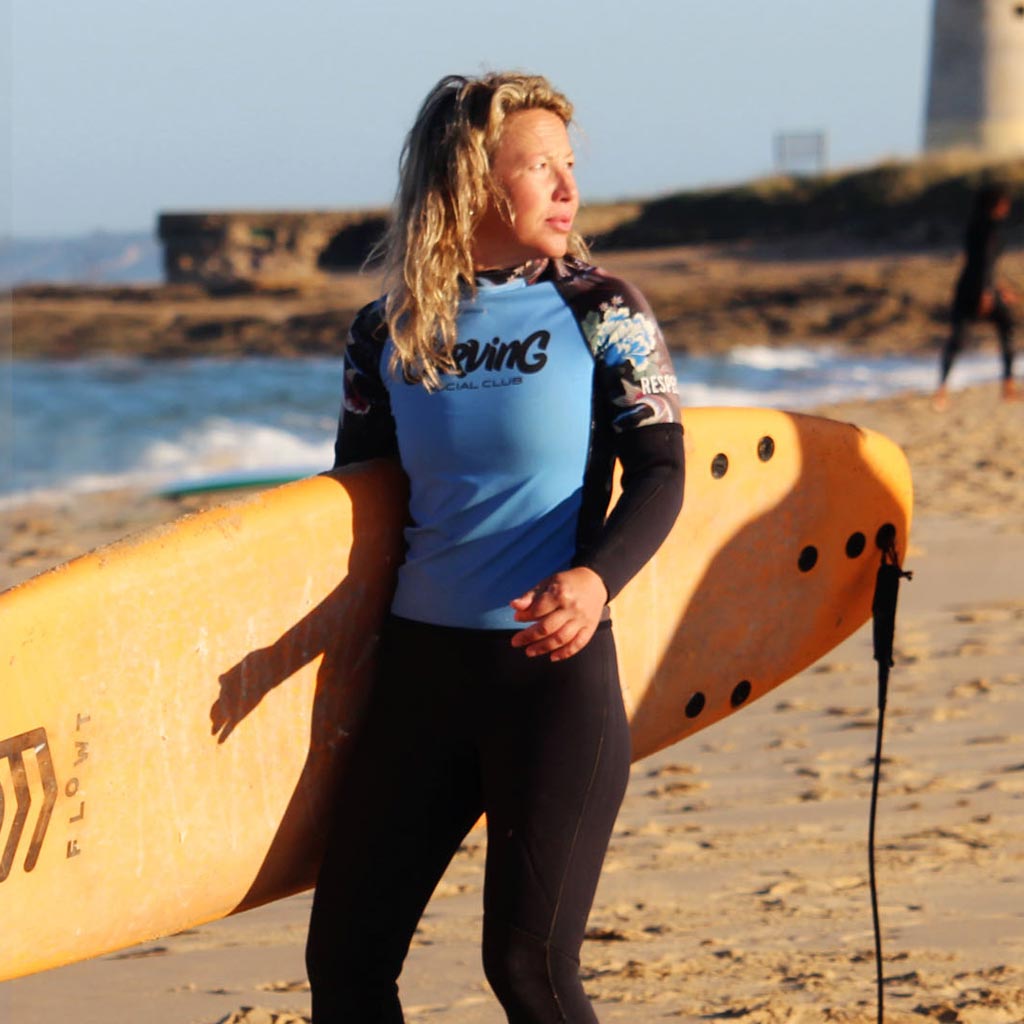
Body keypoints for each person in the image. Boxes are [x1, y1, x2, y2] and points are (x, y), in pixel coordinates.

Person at [305, 71, 685, 1022]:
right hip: (419, 679)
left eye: (569, 166)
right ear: (470, 181)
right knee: (346, 968)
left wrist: (597, 584)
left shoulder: (603, 311)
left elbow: (664, 471)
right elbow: (363, 507)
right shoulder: (385, 332)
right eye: (538, 168)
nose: (568, 189)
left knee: (528, 969)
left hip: (548, 680)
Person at [934, 182, 1019, 410]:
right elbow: (983, 264)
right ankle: (1008, 385)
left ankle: (941, 390)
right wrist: (987, 293)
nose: (1007, 207)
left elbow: (983, 265)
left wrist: (999, 288)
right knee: (1006, 327)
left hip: (968, 287)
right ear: (997, 204)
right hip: (979, 290)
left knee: (958, 338)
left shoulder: (975, 226)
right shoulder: (990, 228)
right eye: (1004, 203)